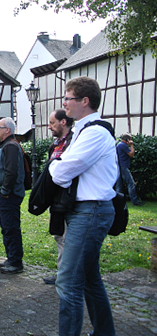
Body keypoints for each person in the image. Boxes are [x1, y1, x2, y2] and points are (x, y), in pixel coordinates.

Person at [49, 76, 118, 336]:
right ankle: (104, 332)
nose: (64, 103)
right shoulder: (82, 131)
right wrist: (61, 163)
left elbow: (61, 172)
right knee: (90, 279)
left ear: (84, 101)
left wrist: (56, 164)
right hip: (86, 210)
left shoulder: (95, 133)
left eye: (68, 98)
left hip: (91, 210)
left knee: (68, 282)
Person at [0, 117, 25, 274]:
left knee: (10, 227)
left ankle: (15, 262)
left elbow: (11, 171)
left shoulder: (10, 146)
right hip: (6, 195)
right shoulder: (7, 146)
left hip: (9, 196)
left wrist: (5, 191)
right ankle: (11, 258)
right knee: (7, 227)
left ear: (8, 130)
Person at [43, 109, 74, 285]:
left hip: (68, 200)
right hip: (56, 201)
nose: (49, 126)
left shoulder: (73, 142)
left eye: (52, 123)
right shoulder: (55, 145)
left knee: (68, 238)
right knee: (59, 236)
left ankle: (66, 275)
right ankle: (63, 272)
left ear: (63, 122)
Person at [115, 133, 145, 206]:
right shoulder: (123, 145)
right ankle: (134, 201)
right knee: (131, 183)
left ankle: (118, 201)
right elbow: (131, 154)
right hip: (123, 166)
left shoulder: (119, 144)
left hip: (119, 166)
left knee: (119, 185)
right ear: (127, 140)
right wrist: (131, 145)